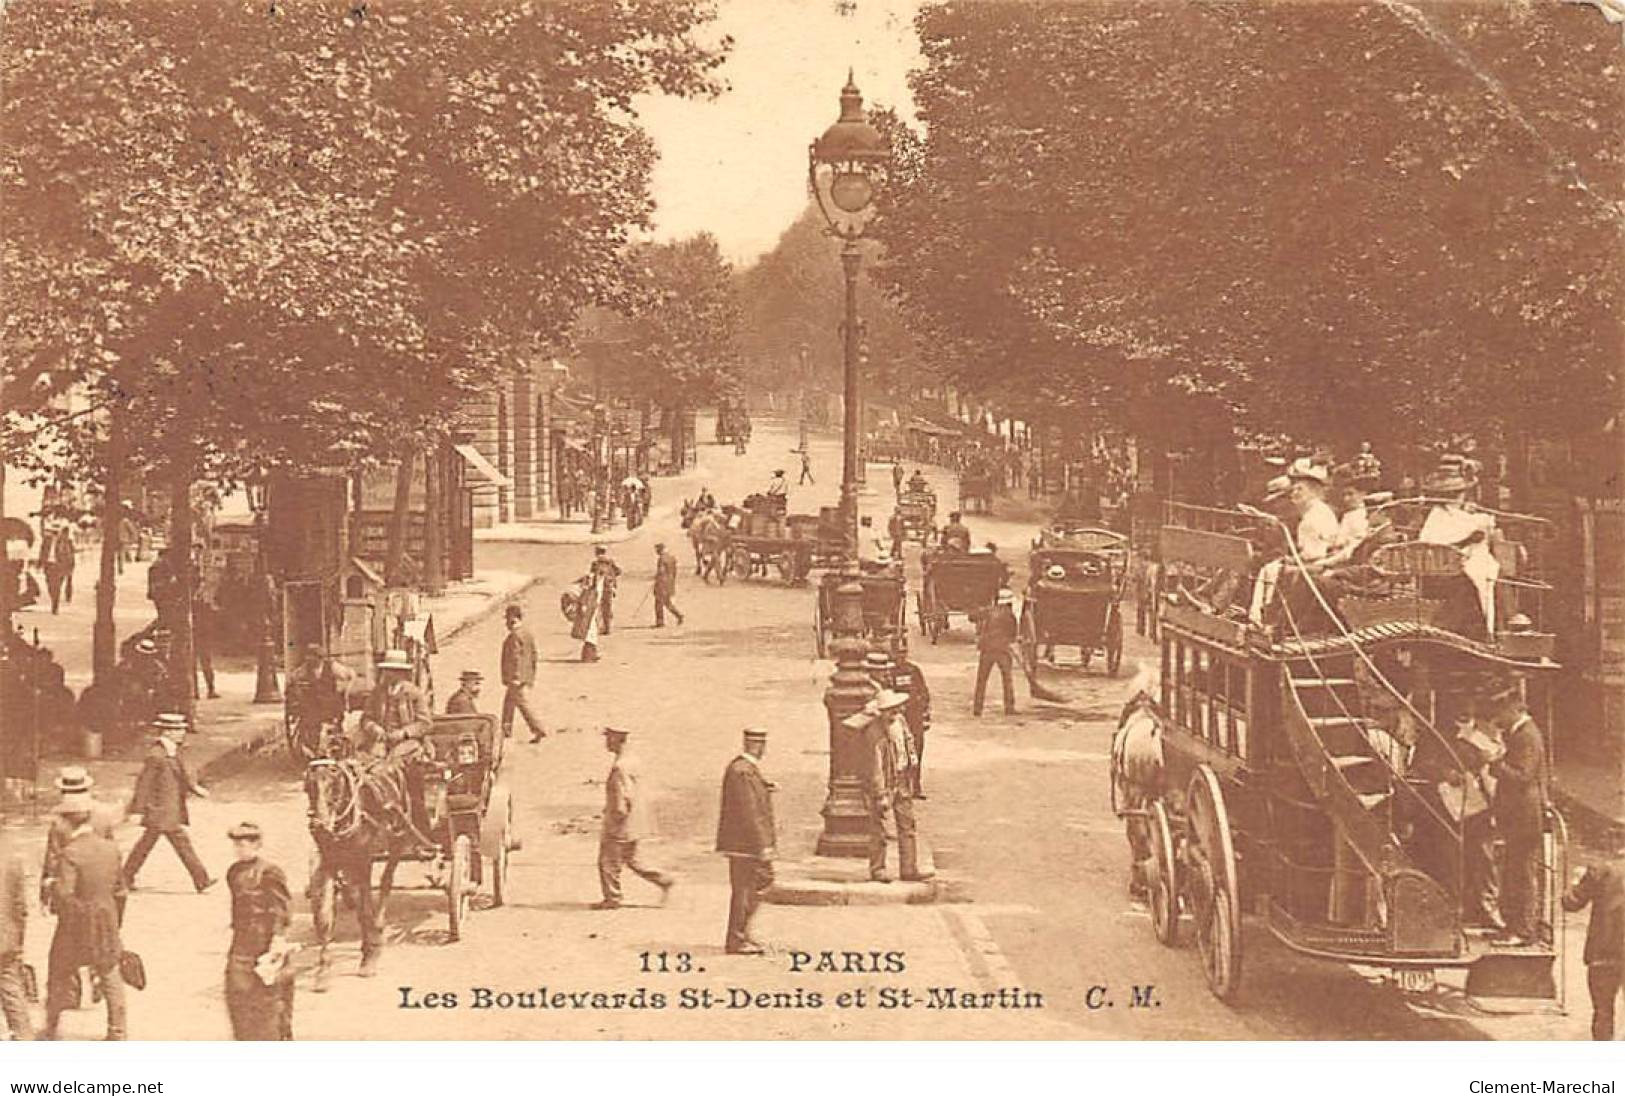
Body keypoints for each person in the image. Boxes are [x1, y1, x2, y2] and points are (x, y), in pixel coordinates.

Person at [42, 789, 127, 1040]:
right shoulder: (111, 849)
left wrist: (51, 889)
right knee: (110, 971)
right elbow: (121, 891)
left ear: (68, 821)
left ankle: (51, 1028)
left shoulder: (71, 853)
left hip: (76, 923)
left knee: (58, 968)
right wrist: (114, 919)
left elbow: (65, 894)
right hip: (106, 918)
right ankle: (117, 1030)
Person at [1484, 676, 1549, 945]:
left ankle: (1523, 931)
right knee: (1513, 871)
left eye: (1502, 712)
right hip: (1516, 816)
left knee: (1522, 873)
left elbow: (1523, 776)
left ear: (1515, 709)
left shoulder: (1527, 735)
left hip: (1525, 816)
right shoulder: (1518, 734)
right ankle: (1513, 925)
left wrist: (1496, 764)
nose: (1499, 718)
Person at [846, 689, 931, 883]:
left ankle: (909, 868)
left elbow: (908, 744)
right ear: (880, 712)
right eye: (889, 710)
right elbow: (875, 766)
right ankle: (878, 869)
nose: (894, 713)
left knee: (907, 824)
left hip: (901, 778)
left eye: (895, 709)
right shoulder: (873, 732)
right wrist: (881, 793)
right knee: (879, 828)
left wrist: (911, 768)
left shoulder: (900, 722)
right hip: (884, 781)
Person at [124, 713, 214, 892]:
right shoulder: (156, 755)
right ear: (167, 732)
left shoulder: (172, 751)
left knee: (145, 845)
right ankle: (201, 880)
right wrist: (138, 810)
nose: (182, 733)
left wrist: (195, 789)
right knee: (180, 843)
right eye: (178, 730)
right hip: (161, 810)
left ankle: (125, 877)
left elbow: (182, 775)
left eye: (181, 729)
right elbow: (144, 784)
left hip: (169, 808)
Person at [223, 821, 293, 1040]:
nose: (239, 849)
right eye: (237, 845)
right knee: (236, 993)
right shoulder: (233, 872)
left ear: (257, 845)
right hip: (241, 942)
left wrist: (277, 941)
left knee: (268, 999)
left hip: (265, 943)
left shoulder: (270, 872)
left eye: (244, 845)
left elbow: (281, 909)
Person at [595, 728, 675, 910]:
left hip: (621, 823)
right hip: (635, 822)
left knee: (608, 862)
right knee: (632, 859)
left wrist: (615, 819)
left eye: (608, 738)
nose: (606, 742)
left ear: (616, 739)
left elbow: (623, 797)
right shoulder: (633, 761)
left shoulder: (619, 767)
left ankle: (613, 898)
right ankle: (663, 879)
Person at [1418, 463, 1499, 639]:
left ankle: (1487, 630)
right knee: (1475, 579)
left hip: (1451, 565)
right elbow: (1439, 546)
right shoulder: (1438, 516)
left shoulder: (1451, 513)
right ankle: (1477, 635)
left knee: (1486, 570)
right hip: (1441, 572)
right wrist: (1469, 539)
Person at [716, 727, 776, 955]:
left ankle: (742, 933)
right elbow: (750, 810)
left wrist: (765, 787)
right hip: (746, 845)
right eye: (762, 746)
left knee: (755, 884)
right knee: (747, 888)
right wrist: (763, 845)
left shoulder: (743, 769)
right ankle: (737, 938)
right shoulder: (743, 771)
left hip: (743, 843)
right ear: (758, 746)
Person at [1563, 845, 1625, 1041]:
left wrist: (1574, 881)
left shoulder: (1599, 869)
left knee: (1603, 1012)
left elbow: (1570, 903)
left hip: (1603, 953)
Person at [357, 649, 431, 758]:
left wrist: (404, 733)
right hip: (382, 741)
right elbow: (366, 718)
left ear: (401, 673)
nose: (389, 674)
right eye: (387, 670)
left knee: (396, 758)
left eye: (393, 671)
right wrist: (374, 728)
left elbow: (425, 723)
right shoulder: (377, 692)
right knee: (372, 759)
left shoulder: (414, 693)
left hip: (408, 741)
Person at [285, 644, 355, 749]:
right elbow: (292, 680)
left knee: (334, 724)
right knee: (310, 723)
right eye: (309, 657)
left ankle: (334, 745)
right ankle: (311, 746)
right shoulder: (304, 669)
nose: (311, 660)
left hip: (330, 704)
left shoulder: (332, 666)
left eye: (315, 658)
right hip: (312, 706)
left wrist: (345, 692)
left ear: (321, 658)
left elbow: (350, 675)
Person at [0, 811, 31, 1040]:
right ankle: (23, 1037)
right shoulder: (11, 856)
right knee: (11, 988)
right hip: (6, 937)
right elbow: (20, 905)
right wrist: (19, 939)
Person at [498, 604, 545, 741]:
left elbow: (515, 658)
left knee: (522, 704)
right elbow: (534, 656)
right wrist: (530, 675)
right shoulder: (527, 633)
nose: (507, 624)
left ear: (513, 619)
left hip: (516, 678)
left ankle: (538, 729)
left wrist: (516, 677)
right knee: (509, 703)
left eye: (508, 620)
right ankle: (505, 730)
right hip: (524, 676)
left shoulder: (514, 637)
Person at [973, 588, 1019, 717]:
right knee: (1007, 679)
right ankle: (1009, 708)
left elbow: (973, 616)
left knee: (982, 679)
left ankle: (977, 708)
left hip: (986, 648)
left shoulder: (989, 611)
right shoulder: (1010, 616)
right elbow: (1013, 634)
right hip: (1002, 650)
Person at [39, 521, 74, 615]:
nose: (54, 533)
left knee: (57, 586)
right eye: (53, 531)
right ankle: (53, 598)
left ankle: (55, 605)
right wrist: (40, 563)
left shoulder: (66, 541)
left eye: (56, 531)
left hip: (59, 566)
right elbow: (42, 552)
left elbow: (71, 555)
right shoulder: (46, 540)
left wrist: (69, 567)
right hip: (49, 565)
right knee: (50, 585)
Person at [192, 589, 219, 700]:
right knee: (203, 663)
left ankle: (200, 690)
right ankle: (207, 690)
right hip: (200, 635)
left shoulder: (191, 604)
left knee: (200, 663)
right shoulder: (204, 605)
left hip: (199, 635)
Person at [590, 545, 621, 635]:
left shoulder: (595, 563)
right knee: (608, 607)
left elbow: (591, 576)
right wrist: (612, 577)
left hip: (599, 588)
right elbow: (619, 571)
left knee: (600, 607)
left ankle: (603, 627)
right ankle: (608, 627)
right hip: (610, 587)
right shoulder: (610, 562)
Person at [653, 542, 684, 628]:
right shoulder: (672, 558)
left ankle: (660, 622)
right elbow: (674, 572)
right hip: (670, 582)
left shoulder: (662, 559)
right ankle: (678, 615)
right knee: (667, 602)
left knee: (659, 603)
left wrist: (656, 579)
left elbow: (661, 571)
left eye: (657, 550)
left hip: (662, 583)